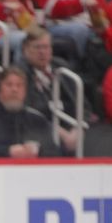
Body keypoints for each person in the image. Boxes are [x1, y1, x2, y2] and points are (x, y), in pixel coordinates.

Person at [18, 26, 94, 154]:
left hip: (71, 128)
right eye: (37, 47)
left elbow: (83, 105)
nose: (42, 52)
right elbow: (26, 114)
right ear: (26, 50)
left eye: (46, 47)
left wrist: (78, 129)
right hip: (38, 131)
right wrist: (59, 132)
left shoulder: (62, 67)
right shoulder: (20, 73)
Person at [0, 66, 57, 158]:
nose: (15, 90)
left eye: (19, 85)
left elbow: (54, 152)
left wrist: (38, 151)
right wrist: (7, 151)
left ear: (25, 91)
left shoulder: (38, 119)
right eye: (9, 85)